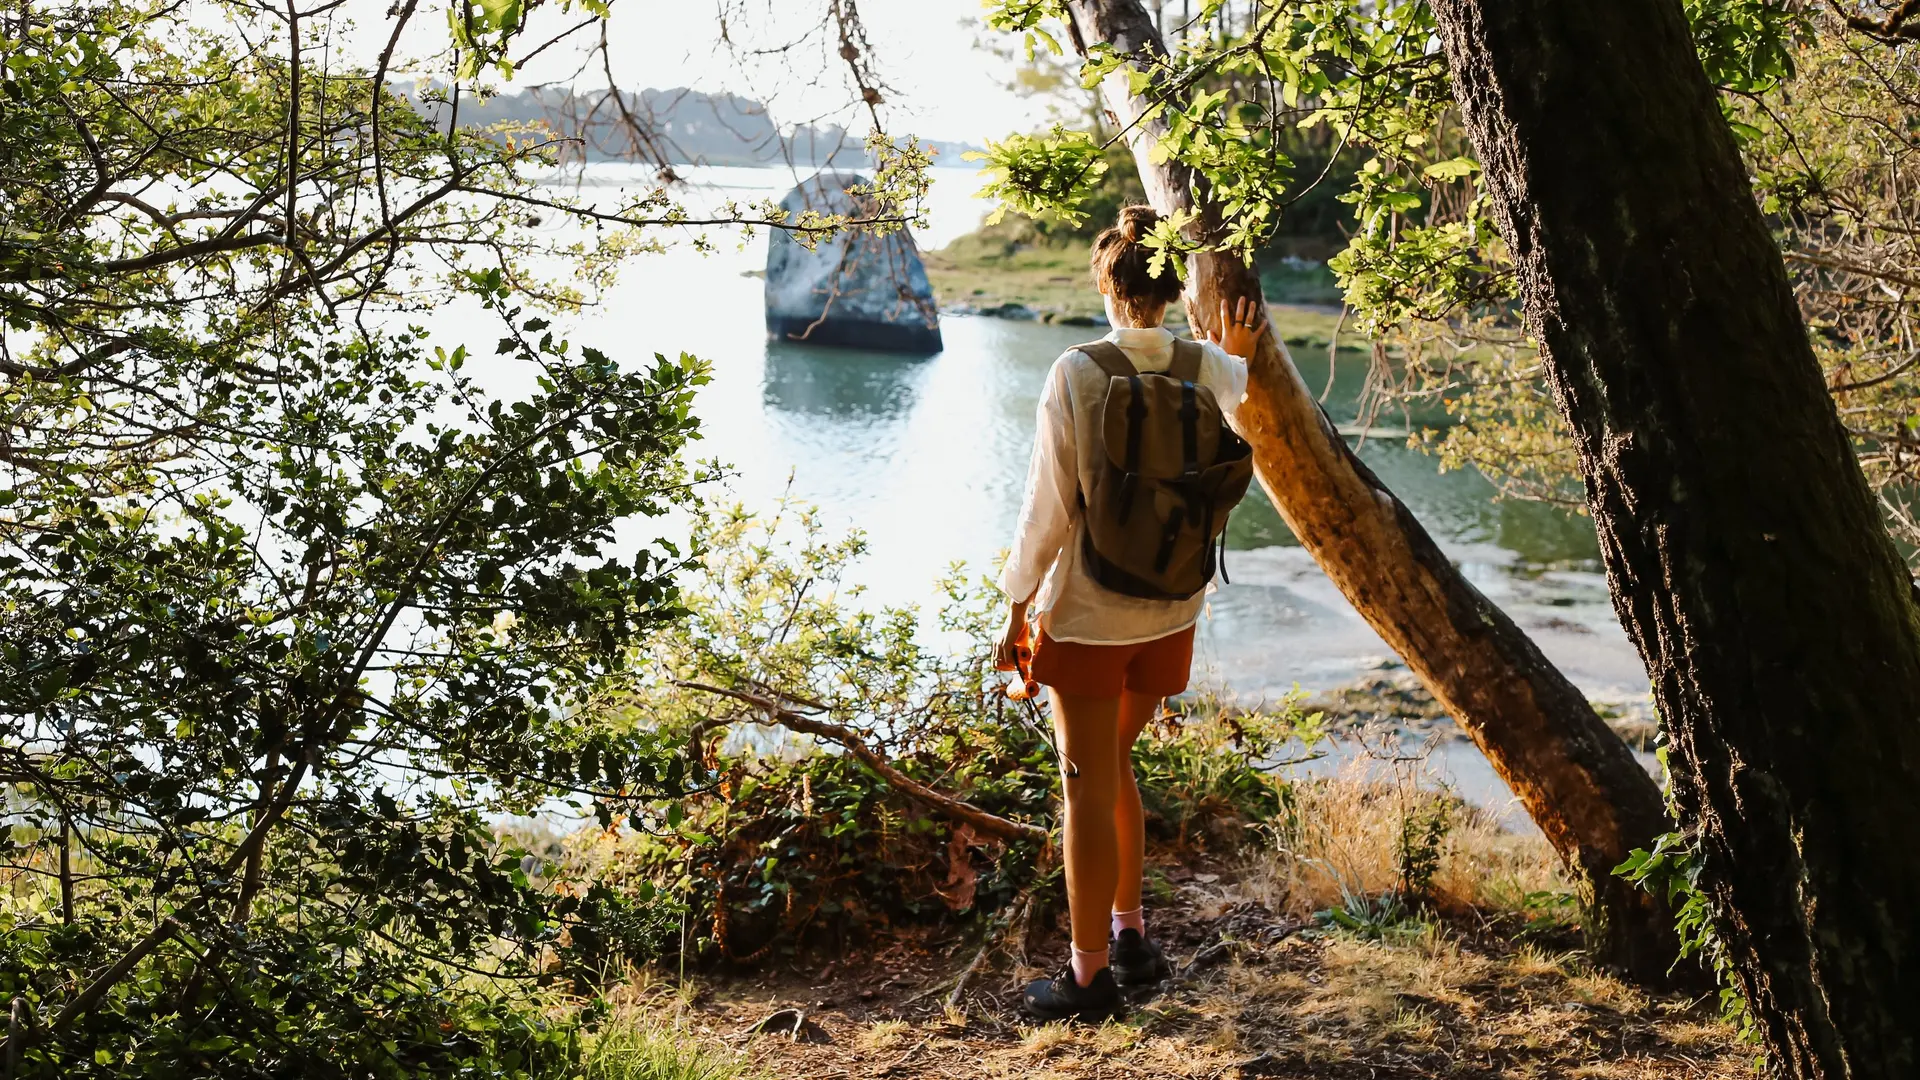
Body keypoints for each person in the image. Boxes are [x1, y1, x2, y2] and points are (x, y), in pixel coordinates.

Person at [996, 204, 1266, 1021]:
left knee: (1085, 785)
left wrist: (1014, 608)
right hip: (1173, 608)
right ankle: (1131, 938)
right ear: (1168, 286)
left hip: (1088, 614)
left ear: (1108, 288)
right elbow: (1237, 388)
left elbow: (1046, 510)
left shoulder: (1077, 372)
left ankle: (1087, 982)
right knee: (1116, 761)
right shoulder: (1208, 368)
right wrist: (1235, 353)